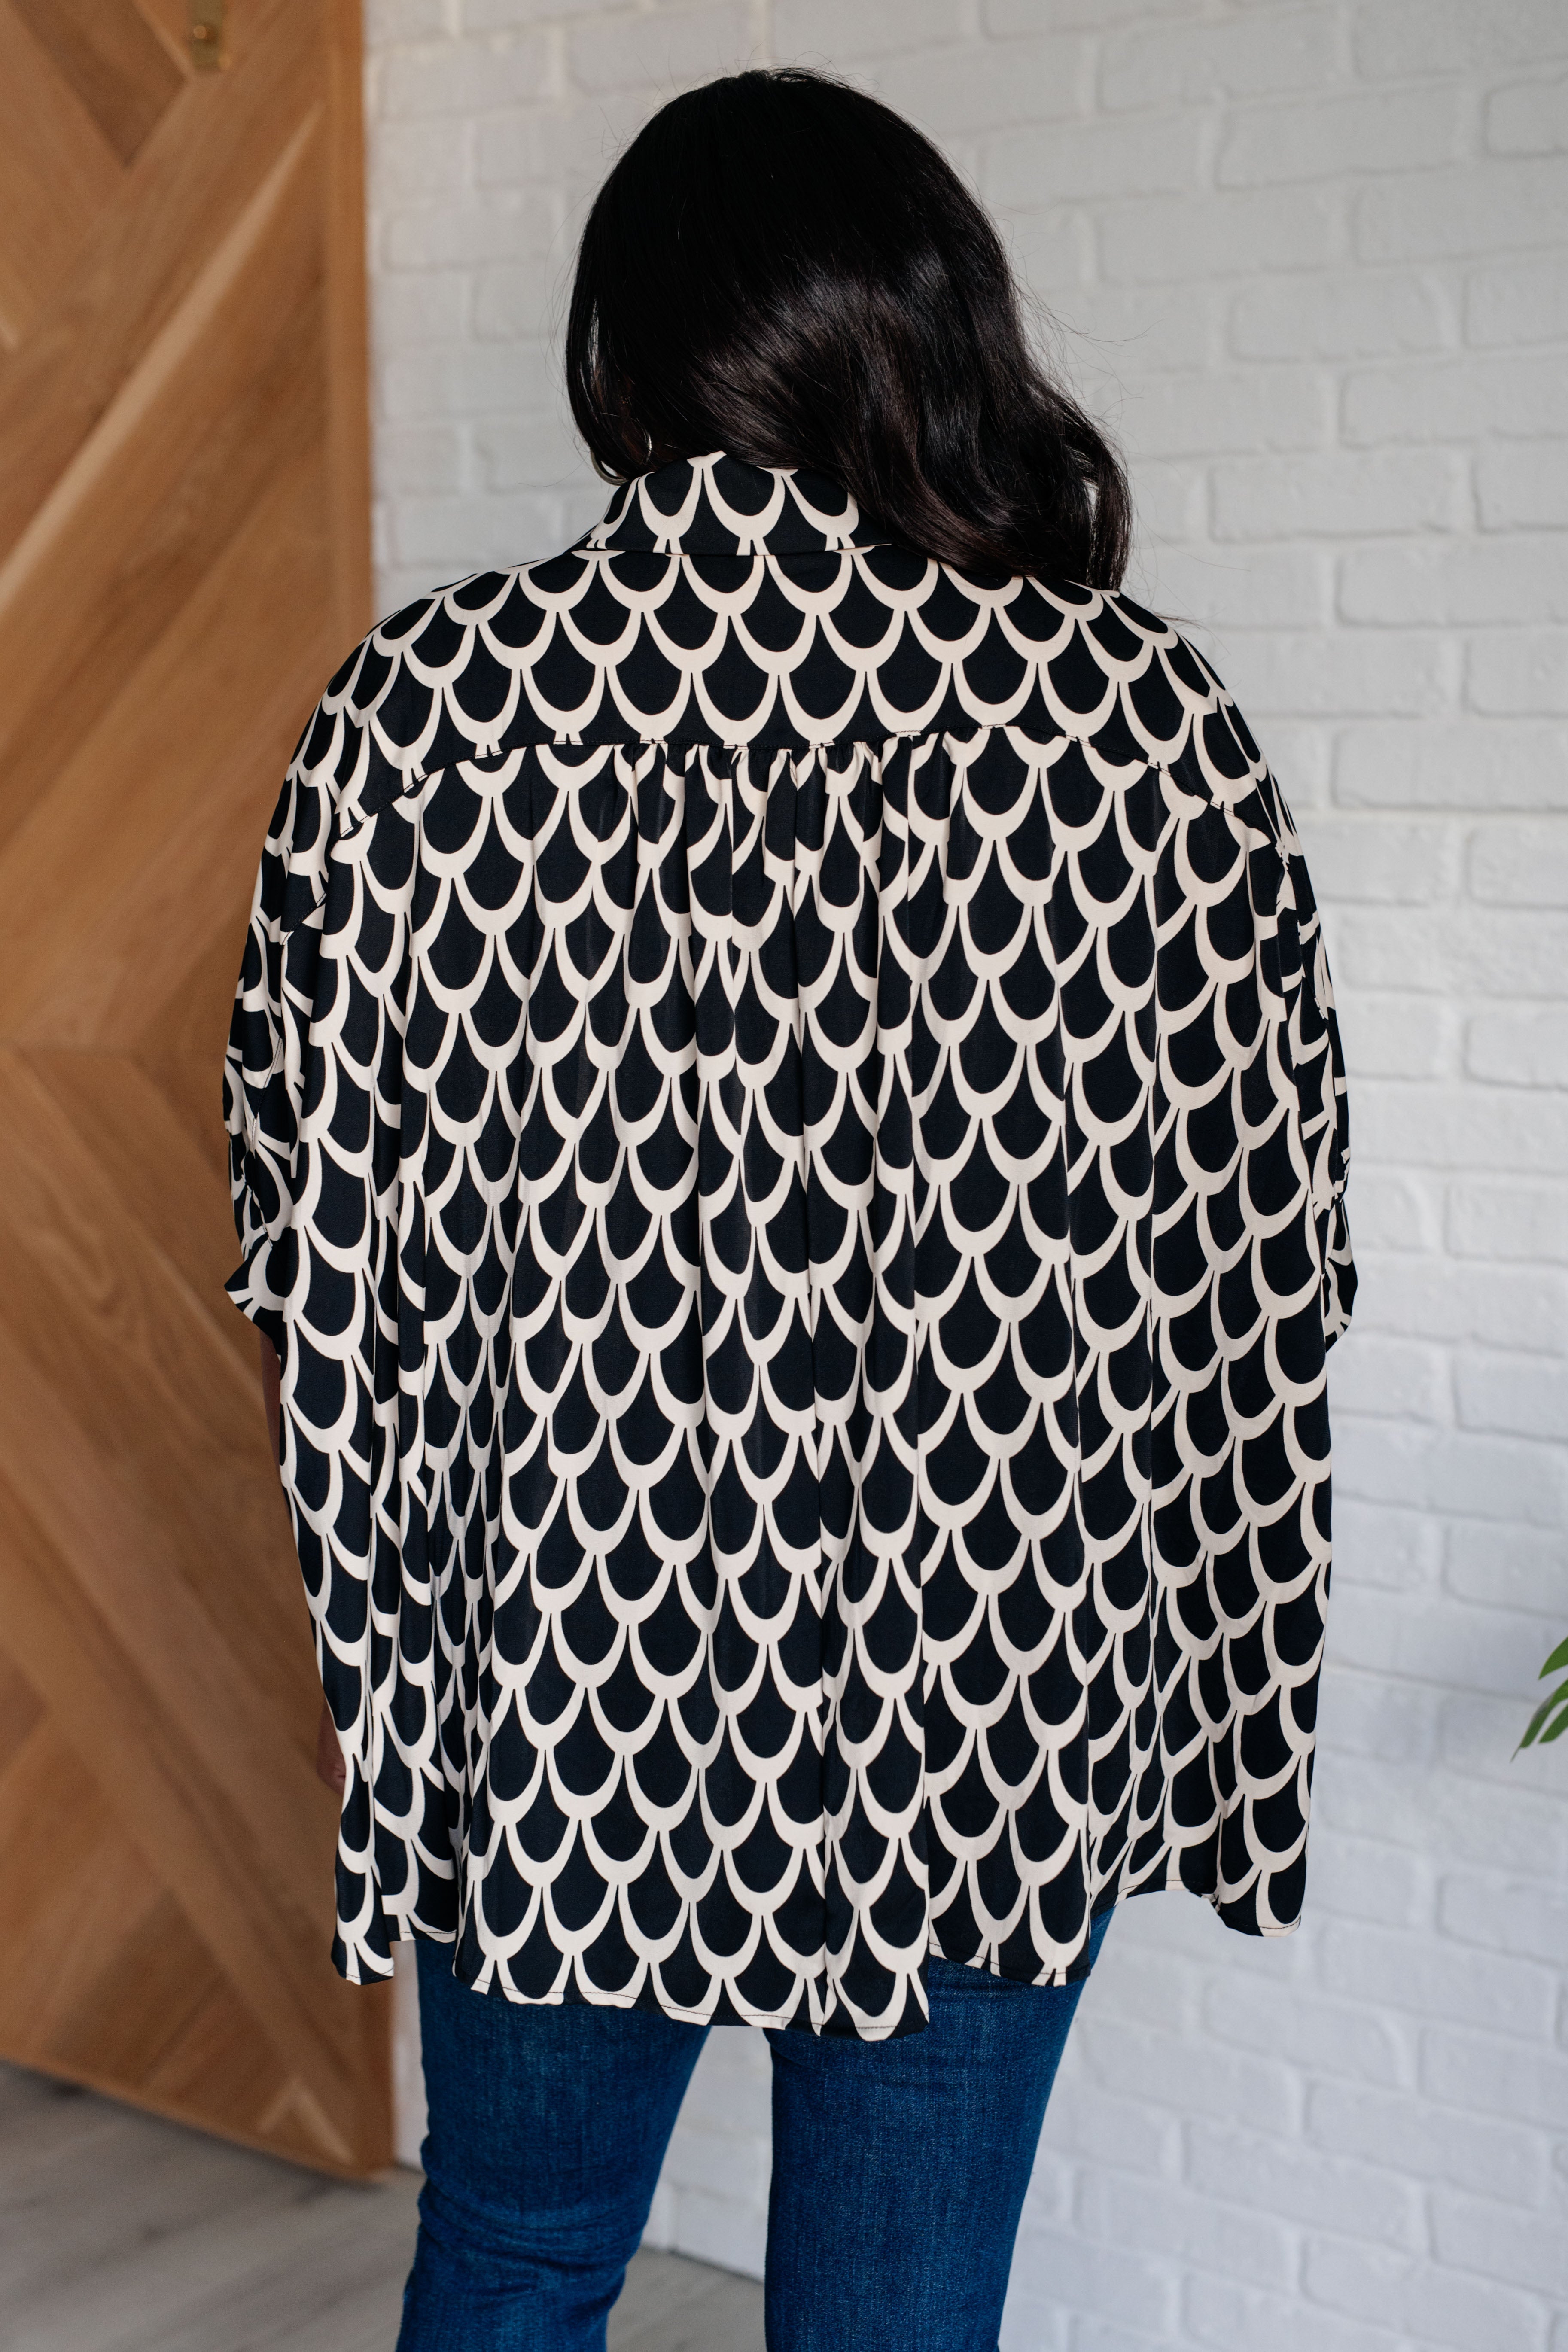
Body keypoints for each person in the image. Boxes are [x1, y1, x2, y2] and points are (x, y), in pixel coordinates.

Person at [225, 66, 1355, 2352]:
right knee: (901, 2312)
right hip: (997, 1659)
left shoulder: (420, 718)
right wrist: (1210, 1698)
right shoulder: (1139, 728)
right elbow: (1260, 1255)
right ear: (937, 318)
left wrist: (420, 1621)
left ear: (625, 345)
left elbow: (307, 1242)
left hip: (565, 1653)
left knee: (519, 2253)